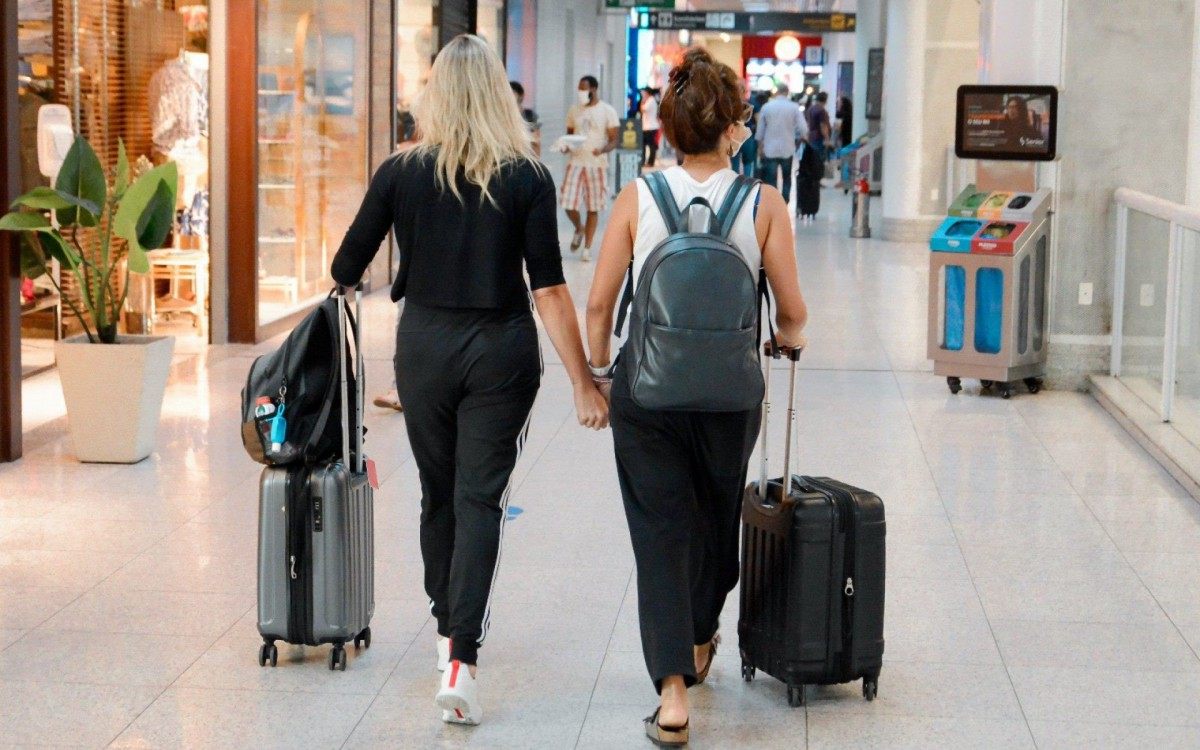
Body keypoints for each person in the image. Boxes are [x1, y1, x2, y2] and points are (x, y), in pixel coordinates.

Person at [330, 34, 609, 727]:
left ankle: (445, 630)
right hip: (502, 351)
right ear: (495, 95)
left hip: (424, 347)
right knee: (479, 500)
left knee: (438, 495)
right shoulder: (527, 176)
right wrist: (583, 381)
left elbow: (345, 266)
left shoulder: (401, 173)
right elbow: (549, 289)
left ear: (435, 96)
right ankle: (462, 657)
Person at [585, 48, 808, 747]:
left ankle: (673, 692)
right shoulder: (763, 203)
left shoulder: (638, 197)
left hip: (646, 394)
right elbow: (794, 313)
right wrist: (783, 342)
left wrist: (599, 375)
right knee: (715, 522)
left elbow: (599, 308)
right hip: (729, 396)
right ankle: (704, 630)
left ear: (668, 126)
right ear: (734, 124)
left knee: (659, 535)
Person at [561, 75, 620, 261]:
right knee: (568, 203)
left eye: (584, 89)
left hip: (596, 165)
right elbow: (569, 137)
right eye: (579, 89)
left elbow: (614, 140)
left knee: (593, 207)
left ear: (594, 89)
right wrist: (565, 146)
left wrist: (602, 150)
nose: (581, 93)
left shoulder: (607, 111)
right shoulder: (574, 111)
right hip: (576, 162)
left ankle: (587, 248)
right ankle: (579, 227)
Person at [755, 82, 803, 204]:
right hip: (788, 148)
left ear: (776, 92)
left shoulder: (767, 107)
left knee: (771, 179)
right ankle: (784, 202)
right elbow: (803, 128)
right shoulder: (794, 107)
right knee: (787, 177)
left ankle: (773, 203)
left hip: (770, 149)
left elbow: (760, 130)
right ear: (787, 92)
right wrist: (798, 140)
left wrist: (760, 148)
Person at [510, 80, 541, 157]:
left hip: (526, 157)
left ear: (520, 96)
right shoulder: (504, 117)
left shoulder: (529, 115)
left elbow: (536, 143)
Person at [805, 91, 832, 162]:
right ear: (825, 100)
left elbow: (808, 124)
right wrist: (827, 138)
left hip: (811, 137)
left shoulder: (810, 109)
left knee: (813, 160)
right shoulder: (822, 111)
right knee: (819, 161)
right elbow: (823, 126)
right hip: (819, 138)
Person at [640, 87, 661, 167]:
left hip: (651, 127)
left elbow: (643, 109)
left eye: (644, 93)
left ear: (647, 93)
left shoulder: (650, 100)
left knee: (652, 146)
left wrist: (642, 101)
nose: (642, 94)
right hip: (647, 127)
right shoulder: (650, 100)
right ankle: (643, 161)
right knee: (643, 145)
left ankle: (650, 162)